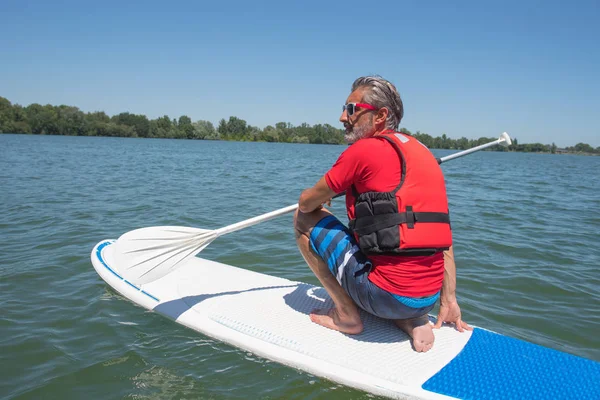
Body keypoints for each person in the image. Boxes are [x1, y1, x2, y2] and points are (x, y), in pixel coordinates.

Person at [293, 75, 472, 352]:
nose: (343, 117)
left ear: (381, 116)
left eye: (351, 109)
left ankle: (347, 316)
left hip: (385, 297)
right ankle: (413, 318)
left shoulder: (362, 151)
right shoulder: (423, 152)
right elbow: (441, 236)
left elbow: (306, 204)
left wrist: (318, 196)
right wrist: (448, 301)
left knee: (303, 220)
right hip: (428, 299)